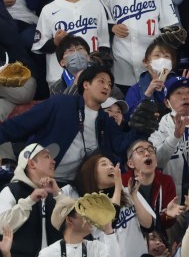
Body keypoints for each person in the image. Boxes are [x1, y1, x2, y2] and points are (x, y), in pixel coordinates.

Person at [0, 65, 150, 184]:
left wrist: (140, 130)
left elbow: (122, 146)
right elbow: (19, 125)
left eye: (110, 84)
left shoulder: (106, 121)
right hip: (37, 177)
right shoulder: (61, 103)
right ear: (86, 84)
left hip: (72, 186)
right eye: (101, 81)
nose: (106, 87)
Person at [32, 0, 109, 85]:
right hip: (59, 78)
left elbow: (104, 44)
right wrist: (55, 42)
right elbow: (40, 46)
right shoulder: (49, 9)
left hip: (92, 77)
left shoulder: (96, 4)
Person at [72, 152, 155, 255]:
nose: (111, 167)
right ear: (91, 173)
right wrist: (118, 185)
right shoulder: (89, 204)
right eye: (104, 164)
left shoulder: (128, 192)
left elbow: (149, 225)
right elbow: (111, 221)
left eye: (112, 164)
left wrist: (133, 196)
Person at [149, 75, 189, 200]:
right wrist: (175, 137)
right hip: (170, 200)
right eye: (178, 93)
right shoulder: (157, 129)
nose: (185, 96)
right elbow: (157, 162)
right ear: (167, 102)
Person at [0, 143, 63, 257]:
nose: (53, 161)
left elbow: (76, 225)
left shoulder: (54, 193)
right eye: (47, 156)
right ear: (31, 163)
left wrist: (58, 193)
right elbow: (1, 226)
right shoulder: (11, 190)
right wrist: (29, 201)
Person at [121, 139, 181, 231]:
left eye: (151, 150)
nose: (147, 153)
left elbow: (165, 224)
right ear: (131, 163)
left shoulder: (166, 181)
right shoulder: (122, 182)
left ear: (156, 161)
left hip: (157, 238)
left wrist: (168, 216)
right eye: (140, 151)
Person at [40, 192, 119, 257]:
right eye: (82, 211)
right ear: (69, 219)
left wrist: (108, 230)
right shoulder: (48, 254)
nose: (89, 216)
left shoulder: (96, 248)